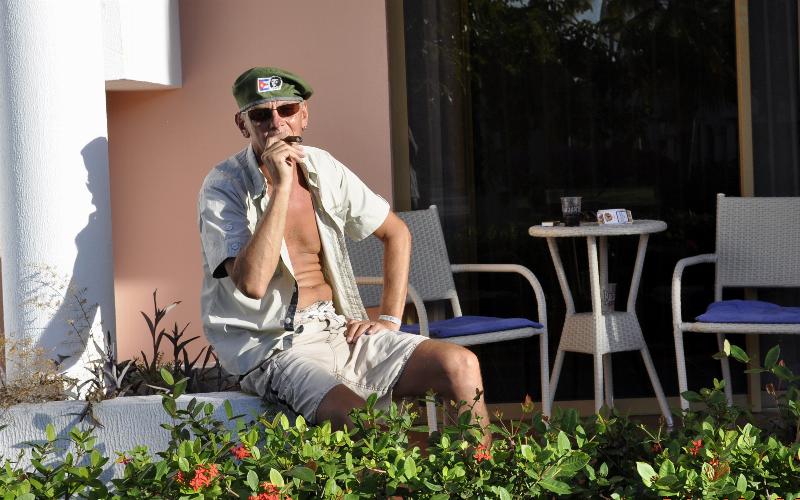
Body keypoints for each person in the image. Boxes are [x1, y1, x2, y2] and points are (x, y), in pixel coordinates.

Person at [197, 66, 490, 441]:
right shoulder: (223, 187)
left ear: (304, 115)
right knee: (366, 426)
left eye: (286, 110)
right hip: (274, 347)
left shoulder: (323, 167)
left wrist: (389, 318)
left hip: (337, 328)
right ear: (243, 125)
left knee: (461, 365)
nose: (276, 123)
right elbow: (252, 284)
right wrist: (281, 187)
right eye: (260, 115)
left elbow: (396, 233)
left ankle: (481, 472)